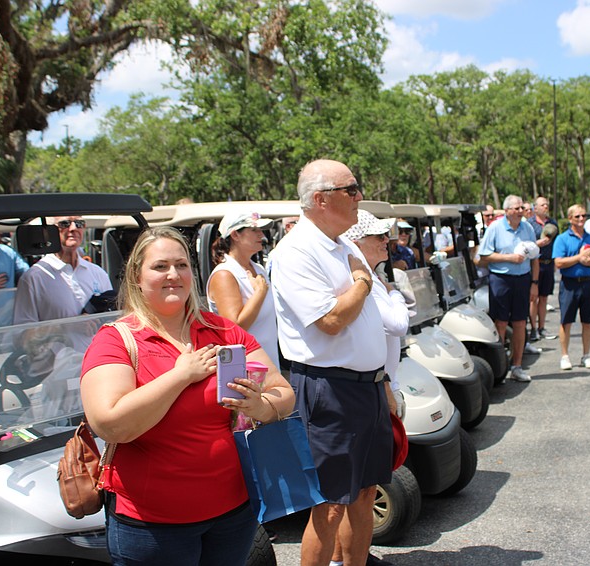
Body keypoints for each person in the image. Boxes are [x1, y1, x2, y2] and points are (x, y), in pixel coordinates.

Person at [80, 226, 294, 566]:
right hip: (152, 525)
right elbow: (110, 424)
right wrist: (180, 376)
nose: (173, 275)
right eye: (160, 266)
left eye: (181, 265)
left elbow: (283, 392)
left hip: (233, 514)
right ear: (137, 276)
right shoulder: (117, 340)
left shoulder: (222, 330)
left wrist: (261, 406)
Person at [269, 159, 392, 566]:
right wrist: (362, 281)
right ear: (321, 199)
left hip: (366, 387)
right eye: (352, 189)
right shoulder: (295, 252)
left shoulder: (343, 245)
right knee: (328, 506)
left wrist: (383, 382)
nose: (360, 196)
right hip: (330, 390)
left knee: (363, 494)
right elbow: (332, 321)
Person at [334, 210, 408, 566]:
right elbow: (397, 324)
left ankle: (351, 557)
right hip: (366, 387)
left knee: (359, 490)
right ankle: (344, 559)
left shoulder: (371, 278)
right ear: (357, 241)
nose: (385, 242)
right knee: (349, 492)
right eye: (378, 236)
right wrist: (395, 294)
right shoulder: (370, 282)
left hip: (377, 383)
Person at [477, 195, 539, 383]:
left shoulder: (527, 228)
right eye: (517, 209)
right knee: (501, 323)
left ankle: (517, 366)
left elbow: (535, 256)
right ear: (507, 211)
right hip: (500, 279)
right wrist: (509, 258)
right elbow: (484, 255)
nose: (521, 212)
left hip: (522, 279)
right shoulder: (495, 228)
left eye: (522, 208)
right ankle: (500, 369)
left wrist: (534, 283)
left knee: (520, 323)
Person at [206, 211, 279, 365]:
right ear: (235, 235)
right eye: (254, 230)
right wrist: (259, 292)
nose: (262, 235)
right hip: (244, 368)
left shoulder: (259, 269)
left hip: (268, 364)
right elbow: (236, 326)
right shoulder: (224, 274)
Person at [14, 216, 113, 323]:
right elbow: (23, 333)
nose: (73, 228)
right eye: (65, 224)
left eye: (79, 223)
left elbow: (112, 318)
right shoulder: (33, 278)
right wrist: (69, 326)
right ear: (49, 231)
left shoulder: (98, 273)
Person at [553, 204, 590, 371]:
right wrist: (579, 257)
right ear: (570, 219)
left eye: (584, 216)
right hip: (569, 284)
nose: (581, 219)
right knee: (566, 321)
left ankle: (586, 355)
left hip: (588, 283)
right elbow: (559, 262)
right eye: (577, 216)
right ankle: (565, 356)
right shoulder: (562, 239)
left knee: (587, 322)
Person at [527, 196, 558, 341]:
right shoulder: (529, 224)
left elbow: (556, 244)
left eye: (547, 204)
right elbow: (526, 244)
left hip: (548, 263)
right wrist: (538, 243)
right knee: (534, 298)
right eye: (542, 205)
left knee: (544, 297)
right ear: (535, 208)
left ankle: (541, 327)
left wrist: (556, 261)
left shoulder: (552, 223)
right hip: (535, 263)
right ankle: (533, 328)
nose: (545, 207)